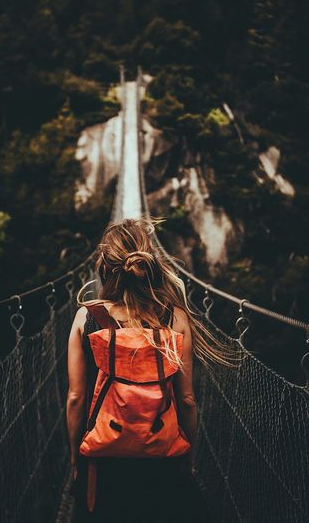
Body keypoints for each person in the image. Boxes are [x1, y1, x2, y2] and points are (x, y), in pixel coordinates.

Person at [66, 217, 234, 522]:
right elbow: (186, 400)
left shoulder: (86, 317)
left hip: (104, 457)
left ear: (103, 263)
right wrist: (188, 456)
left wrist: (77, 457)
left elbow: (76, 397)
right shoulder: (175, 317)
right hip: (163, 454)